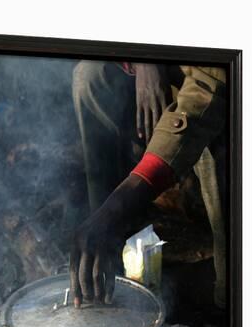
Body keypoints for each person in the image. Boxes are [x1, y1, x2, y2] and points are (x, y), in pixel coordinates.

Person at [70, 61, 227, 309]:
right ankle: (103, 252)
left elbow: (211, 86)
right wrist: (143, 60)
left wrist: (122, 202)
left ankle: (228, 297)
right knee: (89, 77)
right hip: (159, 71)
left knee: (223, 129)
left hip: (212, 88)